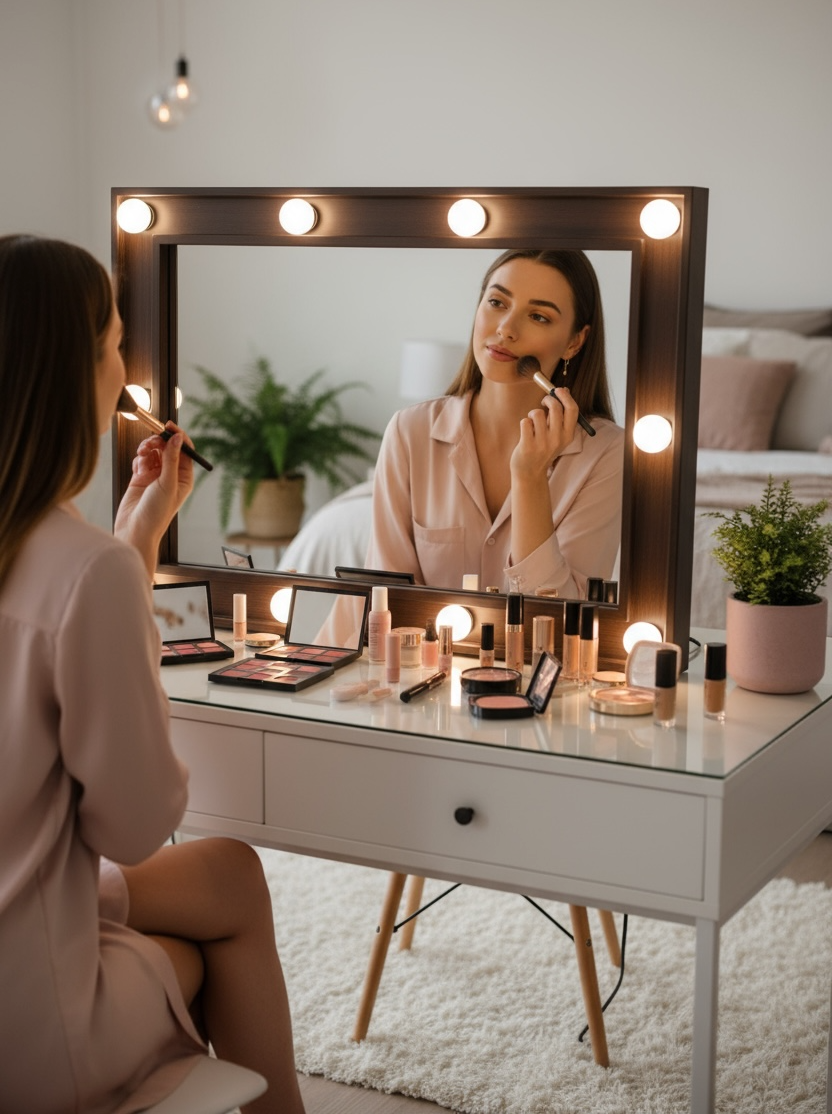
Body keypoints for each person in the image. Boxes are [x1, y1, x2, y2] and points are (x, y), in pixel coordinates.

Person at [0, 235, 305, 1114]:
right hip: (29, 1027)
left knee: (227, 873)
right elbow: (133, 825)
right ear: (79, 370)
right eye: (114, 342)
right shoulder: (82, 570)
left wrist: (137, 530)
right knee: (211, 945)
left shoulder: (84, 565)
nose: (121, 365)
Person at [365, 249, 624, 598]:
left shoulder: (607, 454)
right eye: (497, 303)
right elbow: (386, 600)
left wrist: (530, 478)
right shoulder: (409, 432)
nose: (505, 329)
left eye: (538, 316)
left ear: (575, 342)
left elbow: (562, 623)